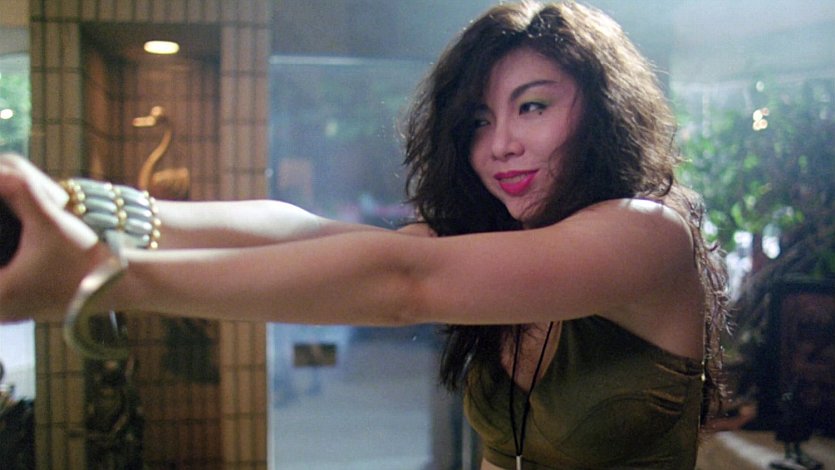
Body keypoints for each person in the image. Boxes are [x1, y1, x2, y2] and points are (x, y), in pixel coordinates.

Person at [0, 1, 728, 468]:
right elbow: (303, 234)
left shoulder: (645, 235)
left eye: (531, 107)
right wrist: (92, 209)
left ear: (601, 111)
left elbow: (401, 285)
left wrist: (100, 276)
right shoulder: (502, 242)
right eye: (479, 121)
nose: (500, 144)